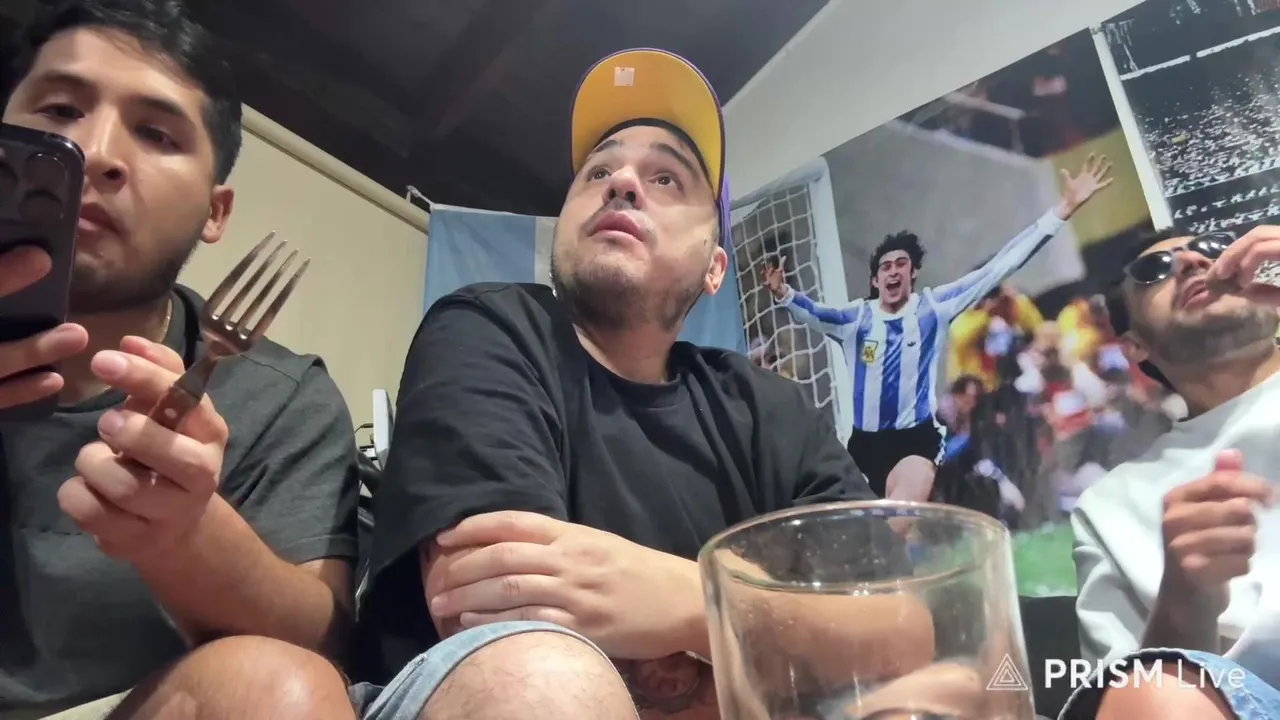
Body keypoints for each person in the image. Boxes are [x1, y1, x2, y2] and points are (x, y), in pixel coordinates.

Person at [356, 49, 939, 720]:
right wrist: (792, 643)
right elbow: (497, 607)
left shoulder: (766, 408)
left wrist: (691, 599)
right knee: (548, 682)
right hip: (489, 693)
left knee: (941, 696)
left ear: (714, 267)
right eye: (598, 171)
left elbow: (902, 632)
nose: (622, 183)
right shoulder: (488, 328)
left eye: (666, 178)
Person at [0, 2, 363, 718]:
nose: (95, 151)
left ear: (215, 212)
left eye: (156, 133)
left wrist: (185, 535)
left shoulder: (281, 397)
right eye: (62, 109)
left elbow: (325, 643)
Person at [762, 157, 1114, 502]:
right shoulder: (855, 320)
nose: (893, 272)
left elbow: (1000, 266)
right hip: (866, 443)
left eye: (901, 265)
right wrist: (784, 294)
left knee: (902, 513)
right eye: (886, 267)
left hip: (917, 440)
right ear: (875, 280)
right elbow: (814, 313)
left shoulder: (935, 307)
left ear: (913, 275)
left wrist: (1061, 211)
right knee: (872, 522)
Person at [1068, 226, 1280, 719]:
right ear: (1134, 346)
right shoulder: (1110, 506)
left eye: (1212, 249)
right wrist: (1185, 601)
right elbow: (1130, 704)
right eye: (1153, 271)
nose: (1191, 262)